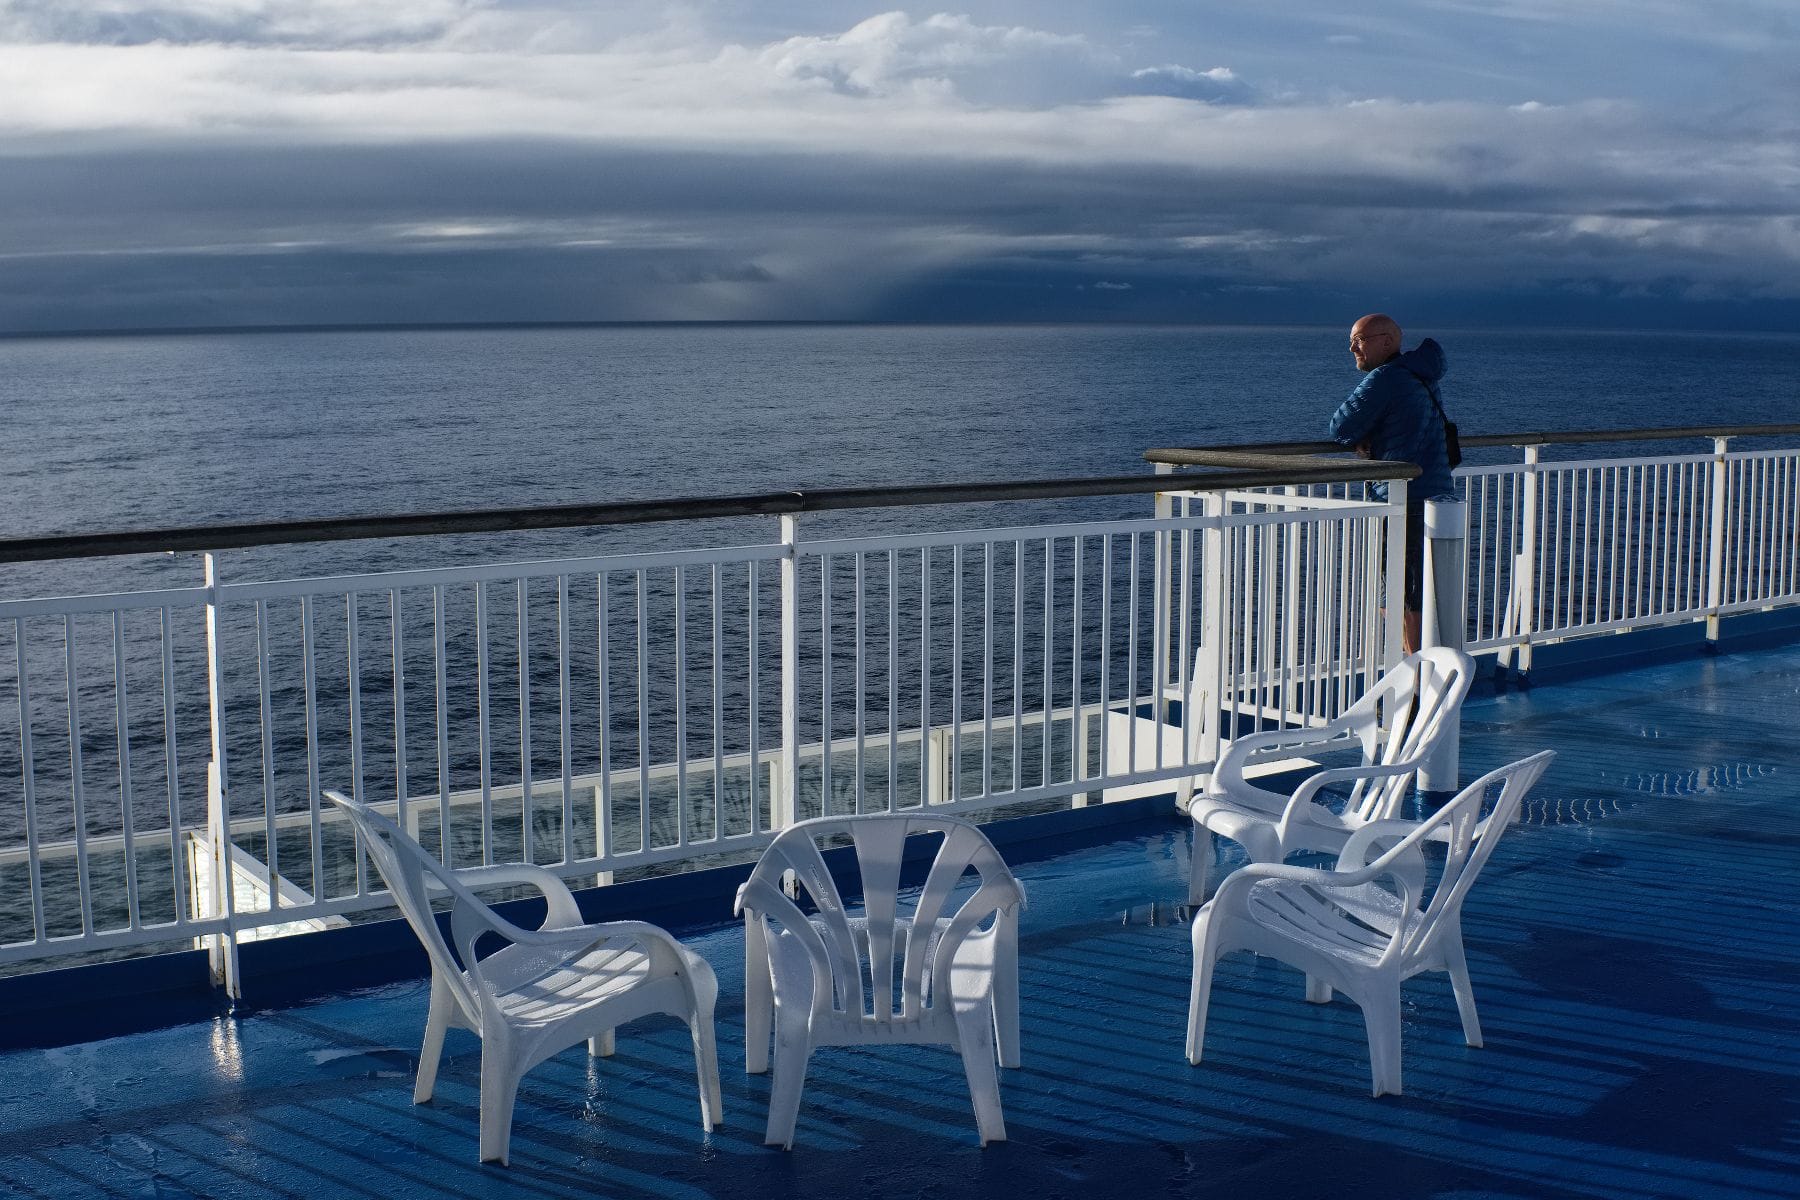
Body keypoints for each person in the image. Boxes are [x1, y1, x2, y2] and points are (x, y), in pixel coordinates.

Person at [1327, 313, 1455, 654]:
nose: (1352, 348)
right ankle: (1421, 669)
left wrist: (1361, 435)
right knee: (1417, 589)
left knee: (1404, 594)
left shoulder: (1385, 378)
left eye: (1359, 340)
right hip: (1434, 494)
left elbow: (1340, 428)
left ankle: (1416, 678)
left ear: (1387, 341)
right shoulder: (1420, 375)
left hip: (1405, 497)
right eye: (1351, 341)